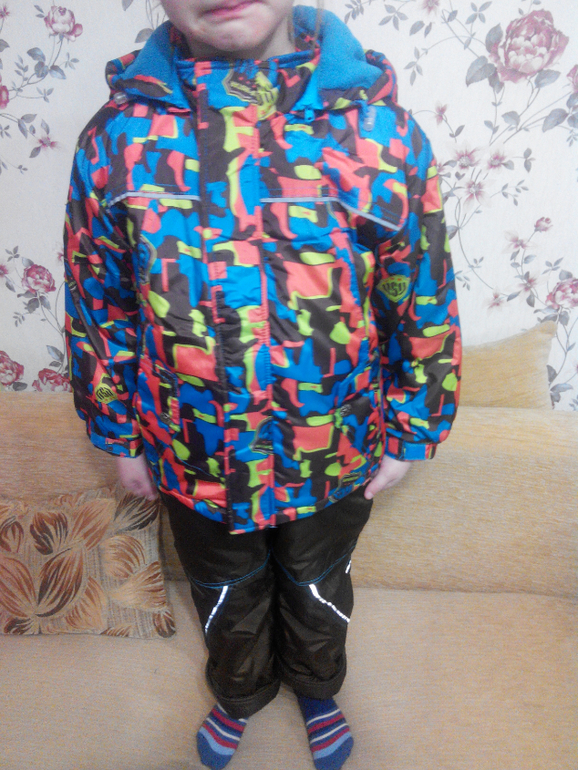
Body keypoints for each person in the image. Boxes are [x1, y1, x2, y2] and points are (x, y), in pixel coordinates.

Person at [64, 2, 461, 768]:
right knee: (225, 590)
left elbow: (421, 295)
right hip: (191, 450)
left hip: (332, 447)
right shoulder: (116, 140)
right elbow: (97, 301)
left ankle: (316, 685)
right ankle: (240, 692)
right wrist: (117, 433)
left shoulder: (380, 134)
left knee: (317, 583)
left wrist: (414, 428)